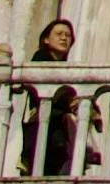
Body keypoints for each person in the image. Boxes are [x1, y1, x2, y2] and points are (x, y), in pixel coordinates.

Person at [24, 19, 78, 178]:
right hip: (44, 128)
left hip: (57, 130)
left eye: (68, 35)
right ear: (46, 39)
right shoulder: (40, 58)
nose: (64, 38)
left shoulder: (66, 67)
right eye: (59, 34)